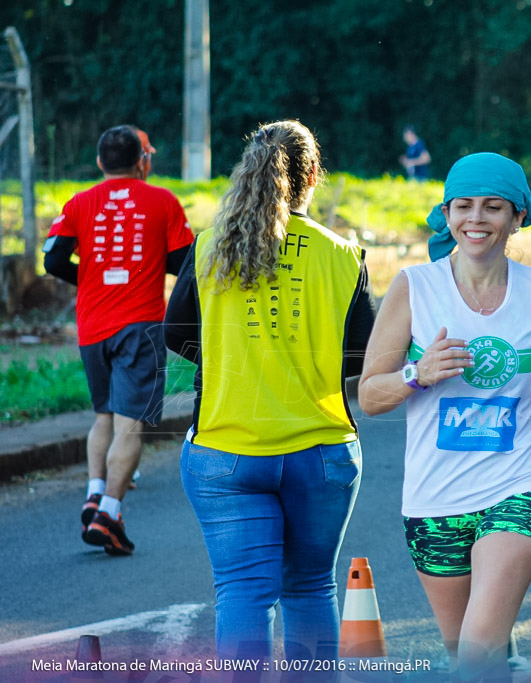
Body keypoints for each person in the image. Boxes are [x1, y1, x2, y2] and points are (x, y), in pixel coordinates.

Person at [357, 152, 531, 681]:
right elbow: (370, 396)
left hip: (520, 484)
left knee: (480, 650)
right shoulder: (414, 288)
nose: (476, 219)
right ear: (447, 212)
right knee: (467, 656)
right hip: (433, 500)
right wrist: (418, 372)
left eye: (493, 207)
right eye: (463, 206)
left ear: (518, 217)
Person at [164, 120, 376, 664]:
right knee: (309, 588)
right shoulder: (343, 254)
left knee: (243, 594)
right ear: (312, 176)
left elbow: (177, 334)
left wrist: (232, 364)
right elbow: (361, 356)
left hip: (225, 449)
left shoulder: (209, 246)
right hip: (320, 452)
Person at [42, 125, 193, 556]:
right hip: (140, 325)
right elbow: (184, 262)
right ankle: (109, 512)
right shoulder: (162, 201)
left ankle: (94, 492)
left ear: (98, 163)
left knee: (104, 416)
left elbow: (53, 259)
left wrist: (89, 277)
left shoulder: (78, 203)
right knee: (132, 423)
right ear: (141, 161)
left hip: (93, 326)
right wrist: (143, 267)